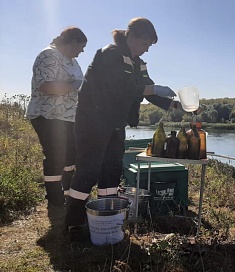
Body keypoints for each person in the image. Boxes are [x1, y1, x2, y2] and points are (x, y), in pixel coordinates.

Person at [65, 17, 186, 241]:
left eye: (149, 45)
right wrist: (151, 87)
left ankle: (107, 216)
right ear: (131, 35)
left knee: (111, 171)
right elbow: (120, 87)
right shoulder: (109, 54)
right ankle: (73, 223)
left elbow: (148, 91)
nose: (146, 49)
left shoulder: (138, 62)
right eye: (145, 43)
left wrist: (176, 105)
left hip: (115, 124)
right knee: (89, 170)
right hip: (93, 120)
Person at [26, 27, 87, 207]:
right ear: (72, 42)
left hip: (68, 116)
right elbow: (45, 86)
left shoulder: (72, 60)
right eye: (81, 47)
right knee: (55, 156)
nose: (82, 51)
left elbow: (78, 86)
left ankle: (68, 193)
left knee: (71, 156)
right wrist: (73, 85)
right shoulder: (48, 55)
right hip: (47, 115)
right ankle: (55, 199)